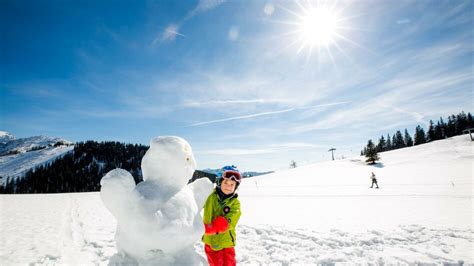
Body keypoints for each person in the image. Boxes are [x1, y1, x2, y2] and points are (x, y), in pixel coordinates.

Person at [202, 165, 242, 266]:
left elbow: (229, 220)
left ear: (235, 187)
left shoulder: (235, 203)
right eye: (226, 182)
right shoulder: (209, 196)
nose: (228, 186)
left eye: (232, 184)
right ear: (219, 182)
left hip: (227, 241)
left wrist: (212, 227)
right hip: (211, 242)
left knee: (230, 263)